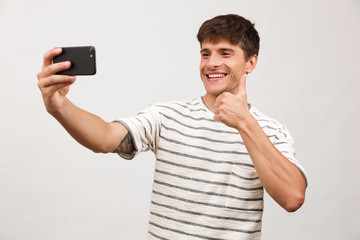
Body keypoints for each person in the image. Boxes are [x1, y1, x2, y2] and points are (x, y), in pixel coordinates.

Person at [37, 14, 307, 240]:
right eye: (205, 53)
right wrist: (59, 107)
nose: (212, 63)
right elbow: (106, 138)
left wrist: (245, 123)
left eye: (225, 53)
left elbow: (292, 198)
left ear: (251, 63)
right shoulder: (166, 116)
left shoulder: (271, 131)